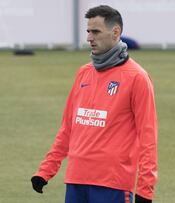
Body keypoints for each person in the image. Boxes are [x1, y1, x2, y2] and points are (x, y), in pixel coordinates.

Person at [31, 5, 157, 203]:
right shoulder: (84, 72)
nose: (89, 37)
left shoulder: (137, 78)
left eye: (96, 31)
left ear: (115, 32)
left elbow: (148, 137)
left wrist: (145, 189)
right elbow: (68, 128)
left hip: (113, 184)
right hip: (76, 180)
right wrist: (46, 170)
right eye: (88, 31)